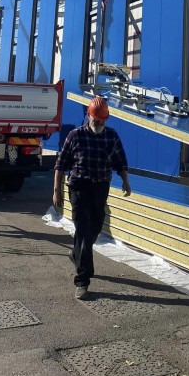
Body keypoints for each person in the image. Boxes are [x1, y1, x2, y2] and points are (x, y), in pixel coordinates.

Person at [53, 95, 131, 299]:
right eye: (97, 120)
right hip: (79, 187)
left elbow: (120, 161)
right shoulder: (75, 135)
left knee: (95, 228)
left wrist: (125, 181)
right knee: (83, 230)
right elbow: (60, 165)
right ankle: (82, 281)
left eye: (103, 120)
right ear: (89, 116)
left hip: (100, 188)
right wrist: (56, 191)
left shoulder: (111, 136)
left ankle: (76, 254)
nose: (100, 123)